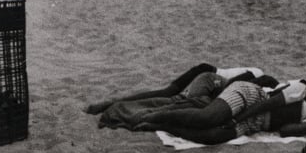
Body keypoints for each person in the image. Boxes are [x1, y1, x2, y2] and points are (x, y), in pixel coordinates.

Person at [131, 77, 306, 145]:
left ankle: (162, 125)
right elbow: (271, 102)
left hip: (255, 123)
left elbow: (286, 131)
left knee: (214, 137)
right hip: (251, 98)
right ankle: (155, 115)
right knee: (209, 118)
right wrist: (238, 117)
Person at [86, 63, 278, 130]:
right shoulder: (255, 76)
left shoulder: (257, 80)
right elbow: (227, 87)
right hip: (207, 77)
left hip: (207, 75)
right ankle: (110, 105)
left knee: (168, 95)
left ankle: (111, 105)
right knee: (171, 97)